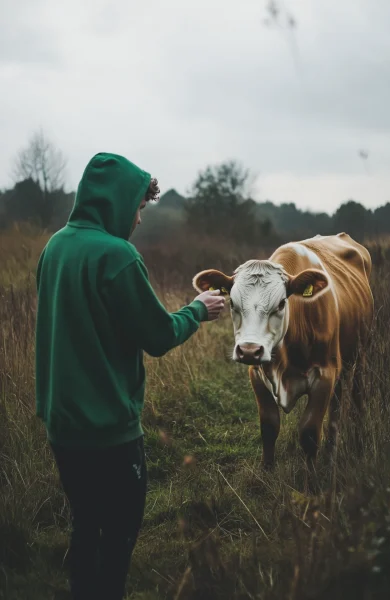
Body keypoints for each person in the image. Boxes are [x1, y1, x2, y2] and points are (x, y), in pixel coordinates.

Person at [35, 152, 225, 600]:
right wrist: (197, 310)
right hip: (109, 434)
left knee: (85, 525)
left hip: (62, 428)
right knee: (118, 542)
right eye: (138, 207)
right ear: (117, 203)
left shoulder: (55, 247)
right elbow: (158, 336)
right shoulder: (117, 256)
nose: (138, 220)